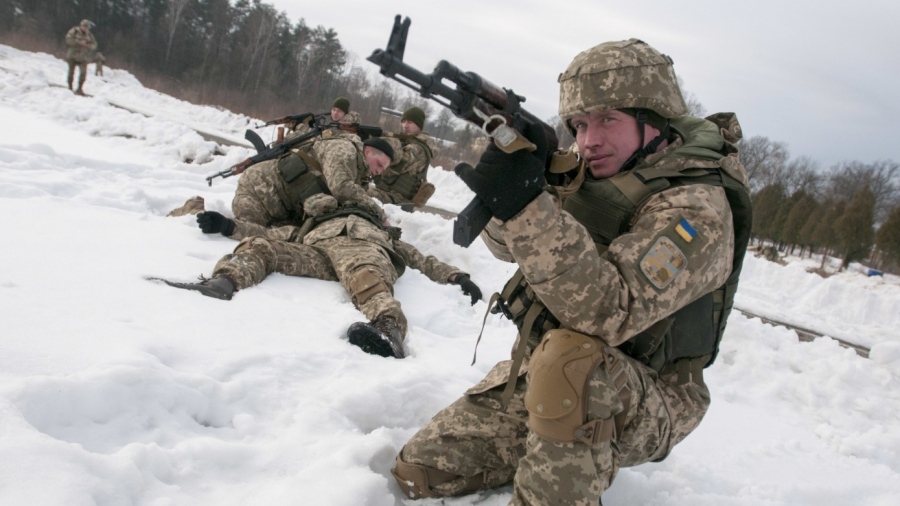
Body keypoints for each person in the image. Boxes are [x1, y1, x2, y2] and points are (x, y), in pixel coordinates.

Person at [391, 39, 752, 504]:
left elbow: (608, 310)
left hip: (651, 394)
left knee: (570, 361)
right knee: (420, 472)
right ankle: (560, 440)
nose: (588, 140)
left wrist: (526, 206)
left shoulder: (697, 210)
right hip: (553, 374)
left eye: (608, 120)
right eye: (579, 125)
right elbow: (504, 248)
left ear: (654, 118)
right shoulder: (590, 171)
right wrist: (517, 187)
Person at [169, 136, 483, 359]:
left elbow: (418, 257)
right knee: (260, 247)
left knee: (366, 276)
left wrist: (455, 275)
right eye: (377, 163)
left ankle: (388, 330)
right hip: (319, 251)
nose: (377, 171)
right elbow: (275, 234)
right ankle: (222, 282)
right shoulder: (317, 219)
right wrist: (228, 226)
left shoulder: (377, 228)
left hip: (363, 250)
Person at [366, 106, 440, 208]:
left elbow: (394, 167)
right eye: (403, 121)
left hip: (397, 199)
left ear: (419, 125)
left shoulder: (417, 148)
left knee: (359, 194)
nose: (405, 125)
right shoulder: (407, 141)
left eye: (410, 122)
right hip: (388, 193)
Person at [64, 19, 97, 96]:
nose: (85, 28)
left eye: (87, 27)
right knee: (71, 72)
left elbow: (94, 45)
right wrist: (78, 42)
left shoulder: (89, 35)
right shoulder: (74, 31)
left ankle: (79, 88)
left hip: (83, 57)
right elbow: (68, 40)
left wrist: (87, 45)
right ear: (81, 25)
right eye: (84, 26)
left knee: (83, 73)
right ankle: (70, 87)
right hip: (72, 55)